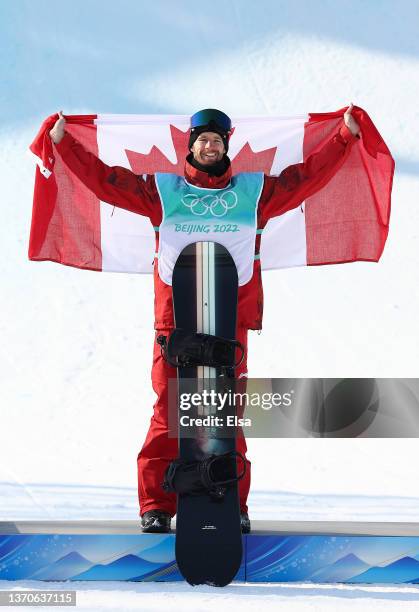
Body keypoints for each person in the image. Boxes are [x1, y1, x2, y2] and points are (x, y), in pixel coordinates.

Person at [49, 106, 360, 533]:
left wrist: (343, 137)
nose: (210, 147)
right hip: (174, 323)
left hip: (229, 322)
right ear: (190, 147)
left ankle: (232, 500)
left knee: (225, 410)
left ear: (226, 146)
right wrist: (64, 144)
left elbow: (305, 179)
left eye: (216, 141)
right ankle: (156, 504)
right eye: (202, 141)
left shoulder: (254, 194)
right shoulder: (163, 191)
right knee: (170, 408)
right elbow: (106, 181)